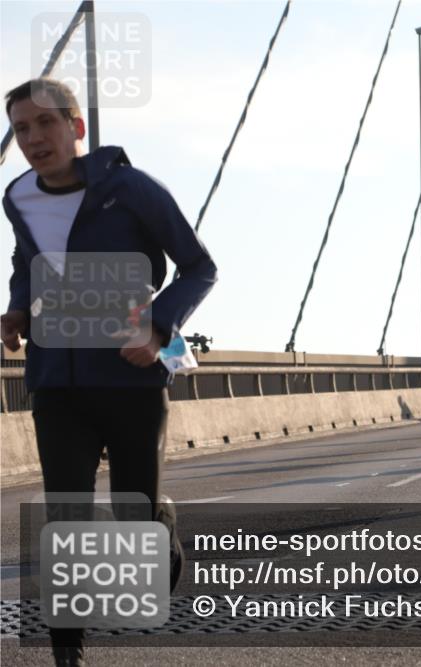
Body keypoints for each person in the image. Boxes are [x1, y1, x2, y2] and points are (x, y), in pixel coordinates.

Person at [2, 78, 218, 666]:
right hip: (56, 382)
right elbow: (28, 259)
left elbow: (200, 267)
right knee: (65, 511)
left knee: (133, 516)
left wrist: (158, 328)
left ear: (76, 127)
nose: (33, 138)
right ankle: (66, 649)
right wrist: (19, 306)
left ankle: (159, 522)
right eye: (22, 128)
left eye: (45, 124)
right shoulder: (17, 196)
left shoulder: (133, 190)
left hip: (131, 378)